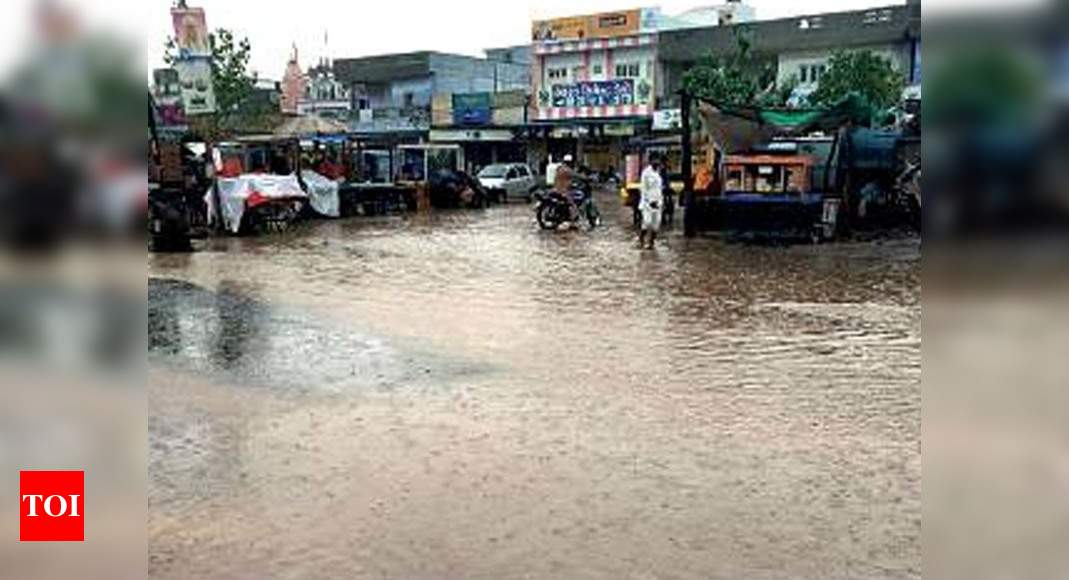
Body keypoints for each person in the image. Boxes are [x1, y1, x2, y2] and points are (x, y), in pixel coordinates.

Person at [639, 154, 664, 249]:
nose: (656, 162)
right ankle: (641, 239)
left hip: (658, 202)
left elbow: (661, 188)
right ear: (651, 161)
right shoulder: (645, 173)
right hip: (647, 203)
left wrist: (660, 202)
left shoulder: (660, 172)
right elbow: (643, 189)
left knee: (656, 224)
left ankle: (651, 243)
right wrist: (649, 201)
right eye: (654, 160)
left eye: (658, 160)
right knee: (647, 222)